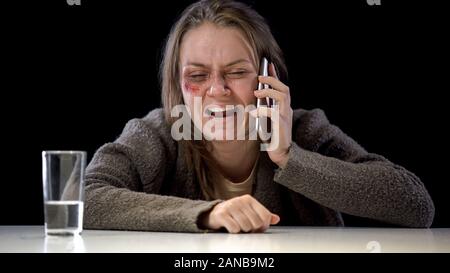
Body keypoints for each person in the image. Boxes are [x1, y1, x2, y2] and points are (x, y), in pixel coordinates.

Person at [84, 0, 434, 233]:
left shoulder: (306, 129)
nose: (217, 90)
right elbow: (83, 201)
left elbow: (416, 206)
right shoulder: (157, 133)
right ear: (177, 85)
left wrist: (288, 157)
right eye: (198, 75)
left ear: (268, 77)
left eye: (236, 73)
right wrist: (206, 214)